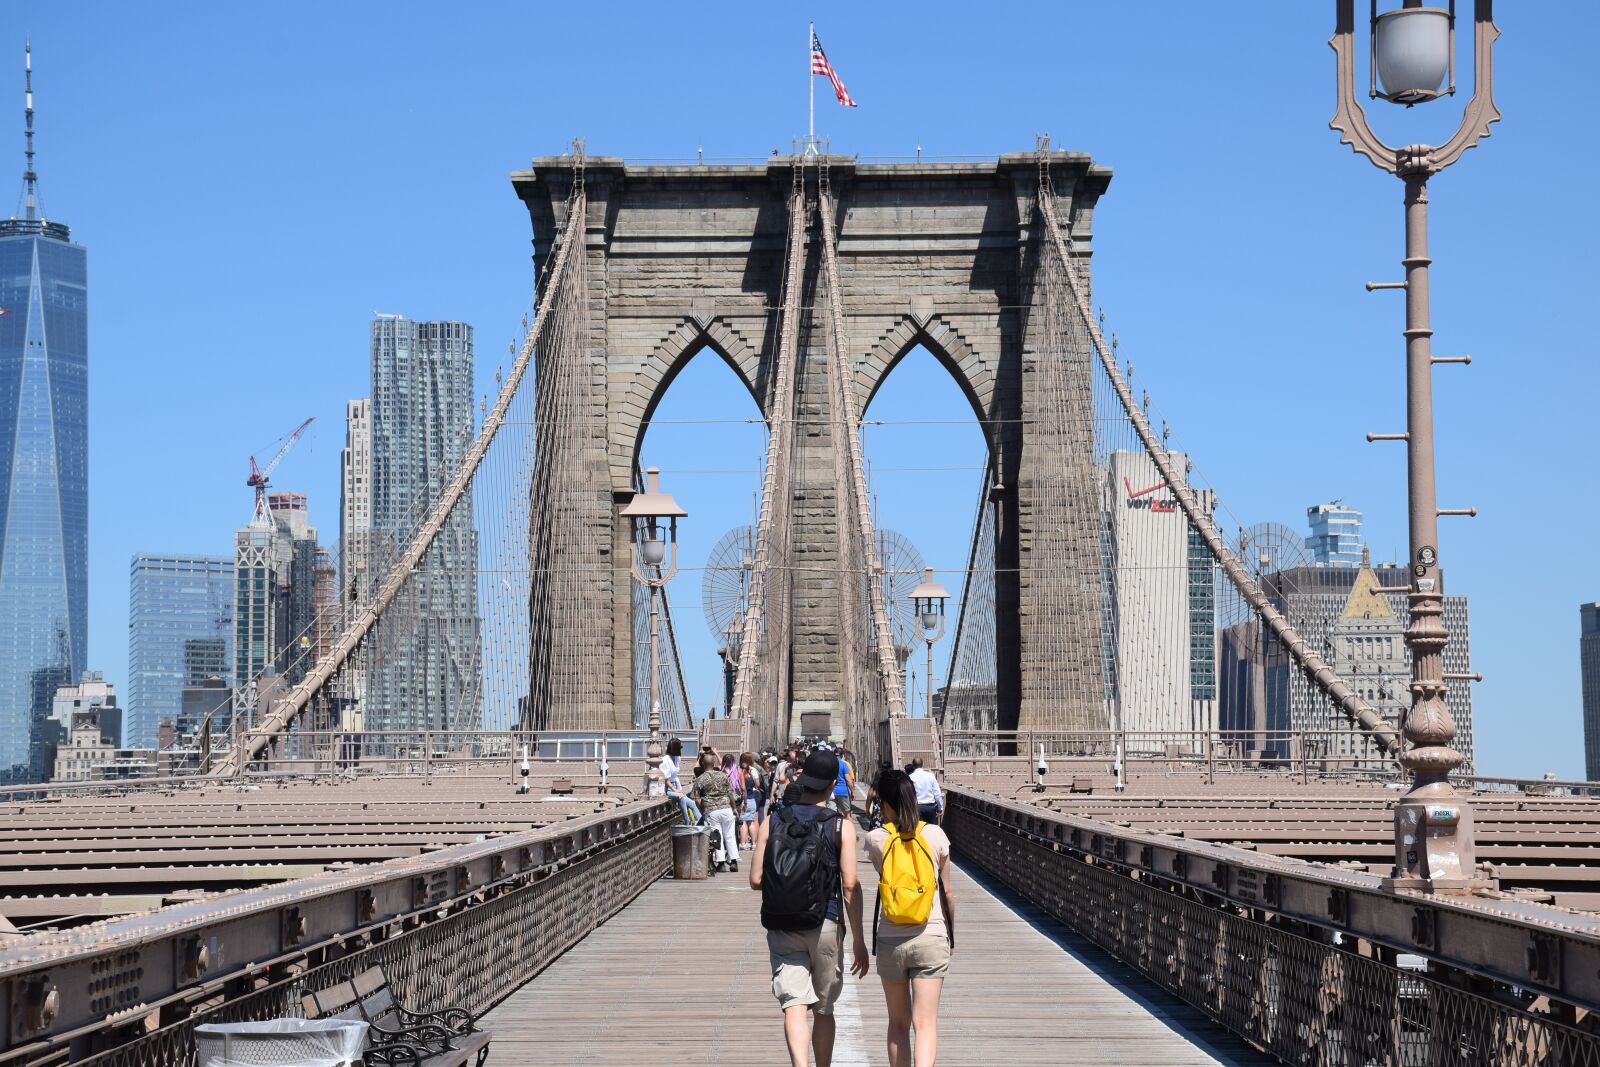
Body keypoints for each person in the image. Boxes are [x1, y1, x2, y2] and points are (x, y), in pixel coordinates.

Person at [751, 749, 869, 1067]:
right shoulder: (841, 826)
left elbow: (755, 879)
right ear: (833, 784)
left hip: (782, 925)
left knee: (794, 1005)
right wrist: (858, 939)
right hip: (826, 924)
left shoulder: (773, 820)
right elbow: (849, 886)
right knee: (823, 1009)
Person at [865, 768, 955, 1067]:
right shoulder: (935, 834)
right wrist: (949, 934)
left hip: (891, 938)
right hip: (931, 935)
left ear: (885, 804)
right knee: (925, 1024)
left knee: (898, 1023)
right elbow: (947, 893)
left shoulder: (876, 839)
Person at [690, 751, 739, 872]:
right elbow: (730, 794)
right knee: (730, 836)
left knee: (717, 837)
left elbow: (696, 799)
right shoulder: (723, 776)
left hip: (712, 811)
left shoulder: (700, 779)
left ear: (702, 764)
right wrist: (734, 808)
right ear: (714, 763)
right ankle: (734, 862)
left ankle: (721, 863)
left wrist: (703, 811)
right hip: (726, 808)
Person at [739, 751, 764, 850]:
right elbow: (758, 785)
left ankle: (743, 843)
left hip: (744, 801)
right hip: (752, 800)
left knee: (743, 823)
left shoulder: (741, 777)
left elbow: (742, 789)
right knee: (752, 823)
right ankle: (754, 843)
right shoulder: (752, 776)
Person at [908, 757, 944, 825]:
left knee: (918, 832)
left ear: (913, 765)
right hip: (930, 808)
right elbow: (937, 793)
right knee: (931, 832)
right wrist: (940, 808)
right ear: (922, 764)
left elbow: (908, 794)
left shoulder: (910, 777)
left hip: (916, 808)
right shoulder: (930, 776)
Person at [831, 746, 855, 820]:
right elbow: (848, 780)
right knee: (847, 815)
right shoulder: (844, 764)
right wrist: (853, 791)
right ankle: (849, 830)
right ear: (842, 755)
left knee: (832, 815)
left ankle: (834, 830)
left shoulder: (830, 764)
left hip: (831, 792)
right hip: (843, 791)